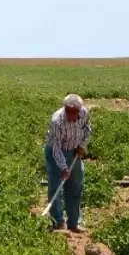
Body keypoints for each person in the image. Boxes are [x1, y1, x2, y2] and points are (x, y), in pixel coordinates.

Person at [45, 93, 92, 232]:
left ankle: (74, 222)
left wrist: (82, 145)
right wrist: (64, 167)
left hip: (74, 151)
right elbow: (56, 148)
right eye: (68, 111)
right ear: (64, 108)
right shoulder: (57, 121)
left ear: (79, 110)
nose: (71, 115)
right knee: (56, 186)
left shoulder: (84, 114)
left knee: (76, 185)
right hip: (56, 153)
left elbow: (87, 130)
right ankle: (58, 223)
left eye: (74, 112)